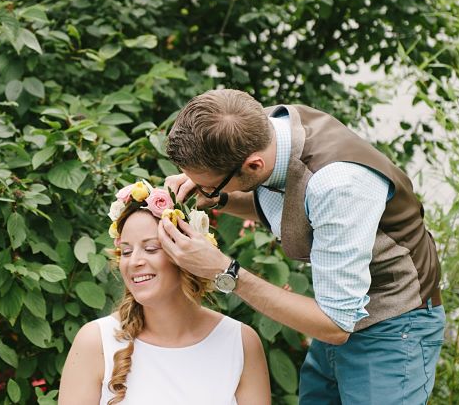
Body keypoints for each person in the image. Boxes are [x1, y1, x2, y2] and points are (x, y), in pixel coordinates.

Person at [159, 89, 444, 405]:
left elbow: (336, 325)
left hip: (391, 325)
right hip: (335, 306)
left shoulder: (338, 185)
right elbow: (290, 205)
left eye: (210, 184)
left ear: (254, 165)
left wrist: (225, 273)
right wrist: (219, 197)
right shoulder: (258, 130)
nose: (202, 189)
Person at [59, 180, 271, 405]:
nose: (134, 262)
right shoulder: (95, 342)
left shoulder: (240, 342)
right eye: (126, 251)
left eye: (151, 248)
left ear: (187, 253)